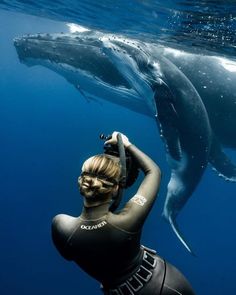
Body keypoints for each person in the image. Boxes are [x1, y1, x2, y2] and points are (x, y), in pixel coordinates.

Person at [51, 131, 196, 295]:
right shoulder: (128, 221)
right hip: (167, 283)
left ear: (80, 181)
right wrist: (127, 144)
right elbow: (153, 172)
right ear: (115, 189)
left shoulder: (61, 226)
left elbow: (74, 254)